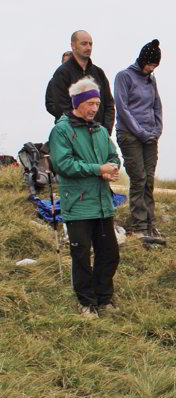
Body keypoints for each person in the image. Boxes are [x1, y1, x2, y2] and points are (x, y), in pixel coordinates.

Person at [48, 76, 121, 318]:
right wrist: (98, 169)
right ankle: (86, 302)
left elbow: (113, 155)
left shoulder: (100, 131)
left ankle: (103, 298)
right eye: (89, 103)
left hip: (102, 204)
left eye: (97, 104)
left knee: (109, 253)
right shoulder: (61, 130)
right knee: (81, 255)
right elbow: (64, 164)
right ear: (77, 103)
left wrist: (113, 167)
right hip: (78, 204)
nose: (94, 109)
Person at [114, 39, 163, 239]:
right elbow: (122, 108)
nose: (151, 69)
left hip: (150, 136)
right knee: (139, 178)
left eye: (154, 66)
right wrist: (141, 132)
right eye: (150, 64)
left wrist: (158, 128)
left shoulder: (152, 79)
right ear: (143, 60)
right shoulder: (124, 77)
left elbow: (156, 105)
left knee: (149, 180)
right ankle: (138, 226)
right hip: (130, 135)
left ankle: (150, 223)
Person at [46, 30, 115, 135]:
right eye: (84, 43)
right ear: (73, 46)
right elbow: (60, 106)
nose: (88, 47)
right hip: (73, 135)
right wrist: (79, 130)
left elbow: (109, 104)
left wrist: (105, 131)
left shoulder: (99, 73)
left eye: (90, 44)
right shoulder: (62, 73)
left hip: (98, 135)